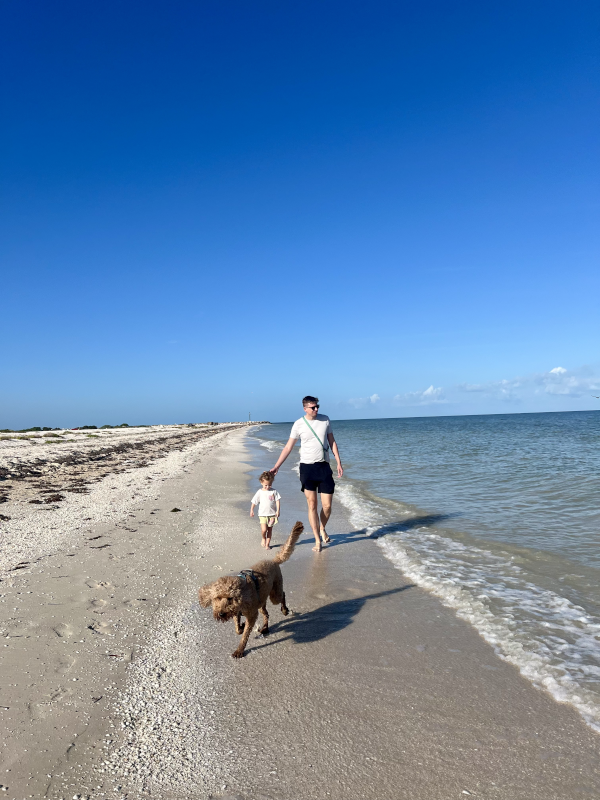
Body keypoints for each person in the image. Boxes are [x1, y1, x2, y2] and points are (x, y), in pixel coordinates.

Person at [271, 396, 343, 552]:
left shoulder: (325, 420)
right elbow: (288, 447)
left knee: (327, 506)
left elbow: (332, 442)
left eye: (317, 406)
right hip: (307, 469)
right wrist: (277, 466)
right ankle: (317, 540)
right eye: (313, 407)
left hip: (324, 467)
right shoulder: (298, 424)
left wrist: (338, 462)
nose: (316, 409)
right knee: (312, 505)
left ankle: (322, 527)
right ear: (305, 409)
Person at [250, 471, 281, 550]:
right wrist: (252, 510)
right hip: (262, 514)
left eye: (269, 485)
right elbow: (254, 501)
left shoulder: (274, 491)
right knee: (264, 530)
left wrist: (278, 511)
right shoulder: (260, 492)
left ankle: (267, 544)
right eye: (265, 485)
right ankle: (263, 538)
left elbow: (277, 501)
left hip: (272, 515)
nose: (267, 487)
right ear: (261, 482)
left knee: (270, 530)